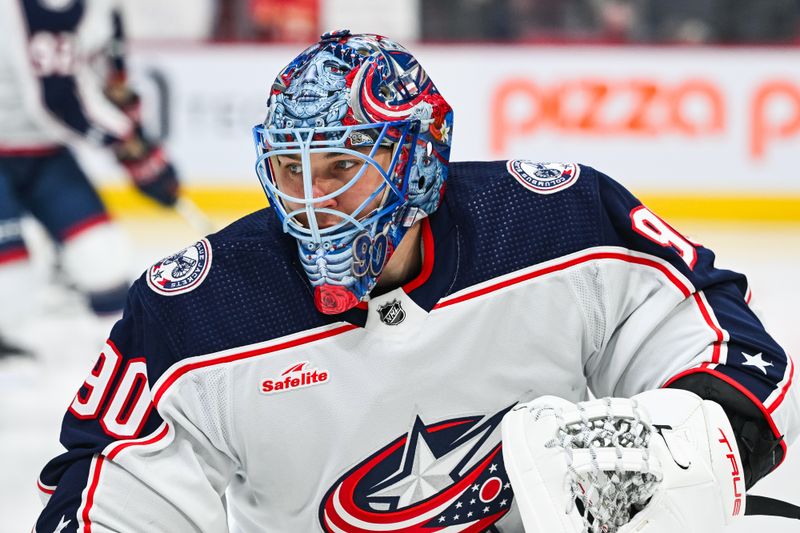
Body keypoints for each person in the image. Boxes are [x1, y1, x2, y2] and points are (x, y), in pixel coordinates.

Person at [33, 30, 797, 532]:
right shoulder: (198, 308)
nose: (312, 199)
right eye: (290, 169)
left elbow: (724, 342)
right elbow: (105, 493)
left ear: (420, 163)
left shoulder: (554, 220)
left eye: (342, 167)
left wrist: (668, 446)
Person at [0, 0, 179, 358]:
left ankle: (130, 353)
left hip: (46, 154)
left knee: (104, 259)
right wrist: (130, 143)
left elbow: (113, 82)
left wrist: (141, 156)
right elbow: (53, 100)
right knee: (11, 291)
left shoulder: (105, 8)